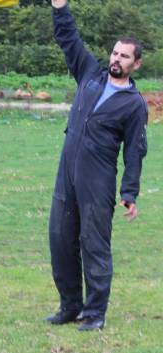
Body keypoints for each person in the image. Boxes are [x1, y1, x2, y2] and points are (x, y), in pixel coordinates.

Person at [47, 0, 148, 331]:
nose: (116, 59)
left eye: (124, 56)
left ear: (137, 64)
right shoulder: (90, 73)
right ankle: (70, 306)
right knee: (61, 241)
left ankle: (95, 313)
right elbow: (69, 39)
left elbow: (135, 150)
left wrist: (129, 191)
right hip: (67, 175)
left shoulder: (134, 105)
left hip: (98, 181)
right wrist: (60, 7)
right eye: (115, 53)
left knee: (94, 246)